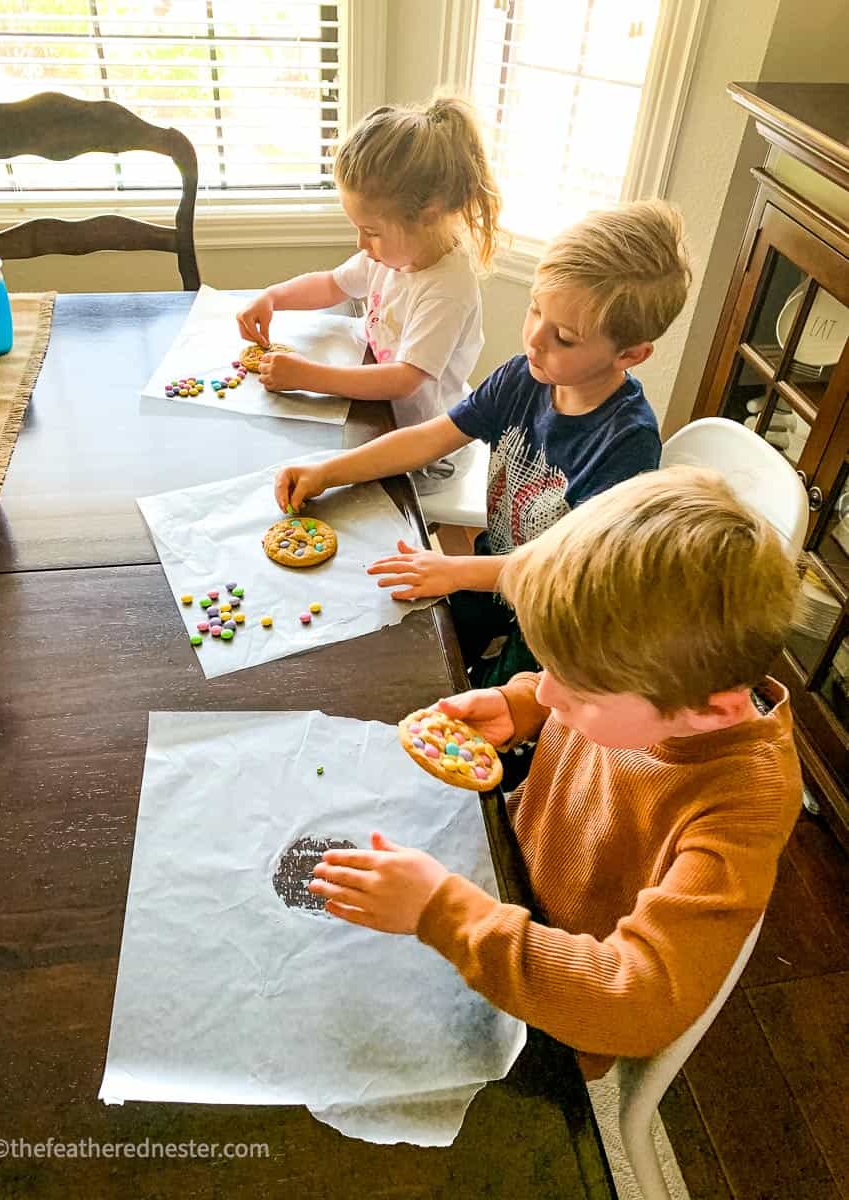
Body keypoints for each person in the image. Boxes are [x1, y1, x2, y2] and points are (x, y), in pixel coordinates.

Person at [307, 467, 803, 1079]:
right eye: (547, 668)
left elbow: (637, 1005)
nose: (550, 693)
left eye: (578, 691)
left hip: (556, 996)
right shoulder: (657, 690)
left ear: (710, 708)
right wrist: (521, 706)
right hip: (506, 874)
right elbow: (583, 703)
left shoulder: (741, 807)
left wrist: (441, 911)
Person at [275, 199, 691, 694]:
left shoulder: (626, 445)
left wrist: (453, 571)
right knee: (399, 653)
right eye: (536, 308)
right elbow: (430, 439)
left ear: (630, 354)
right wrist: (332, 470)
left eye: (564, 337)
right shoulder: (523, 376)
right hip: (493, 573)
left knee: (490, 722)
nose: (535, 340)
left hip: (554, 619)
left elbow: (570, 572)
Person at [237, 95, 499, 491]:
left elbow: (403, 380)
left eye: (371, 231)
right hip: (375, 413)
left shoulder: (446, 290)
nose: (361, 244)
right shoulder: (390, 256)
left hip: (422, 450)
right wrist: (273, 296)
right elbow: (331, 284)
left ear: (428, 215)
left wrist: (309, 376)